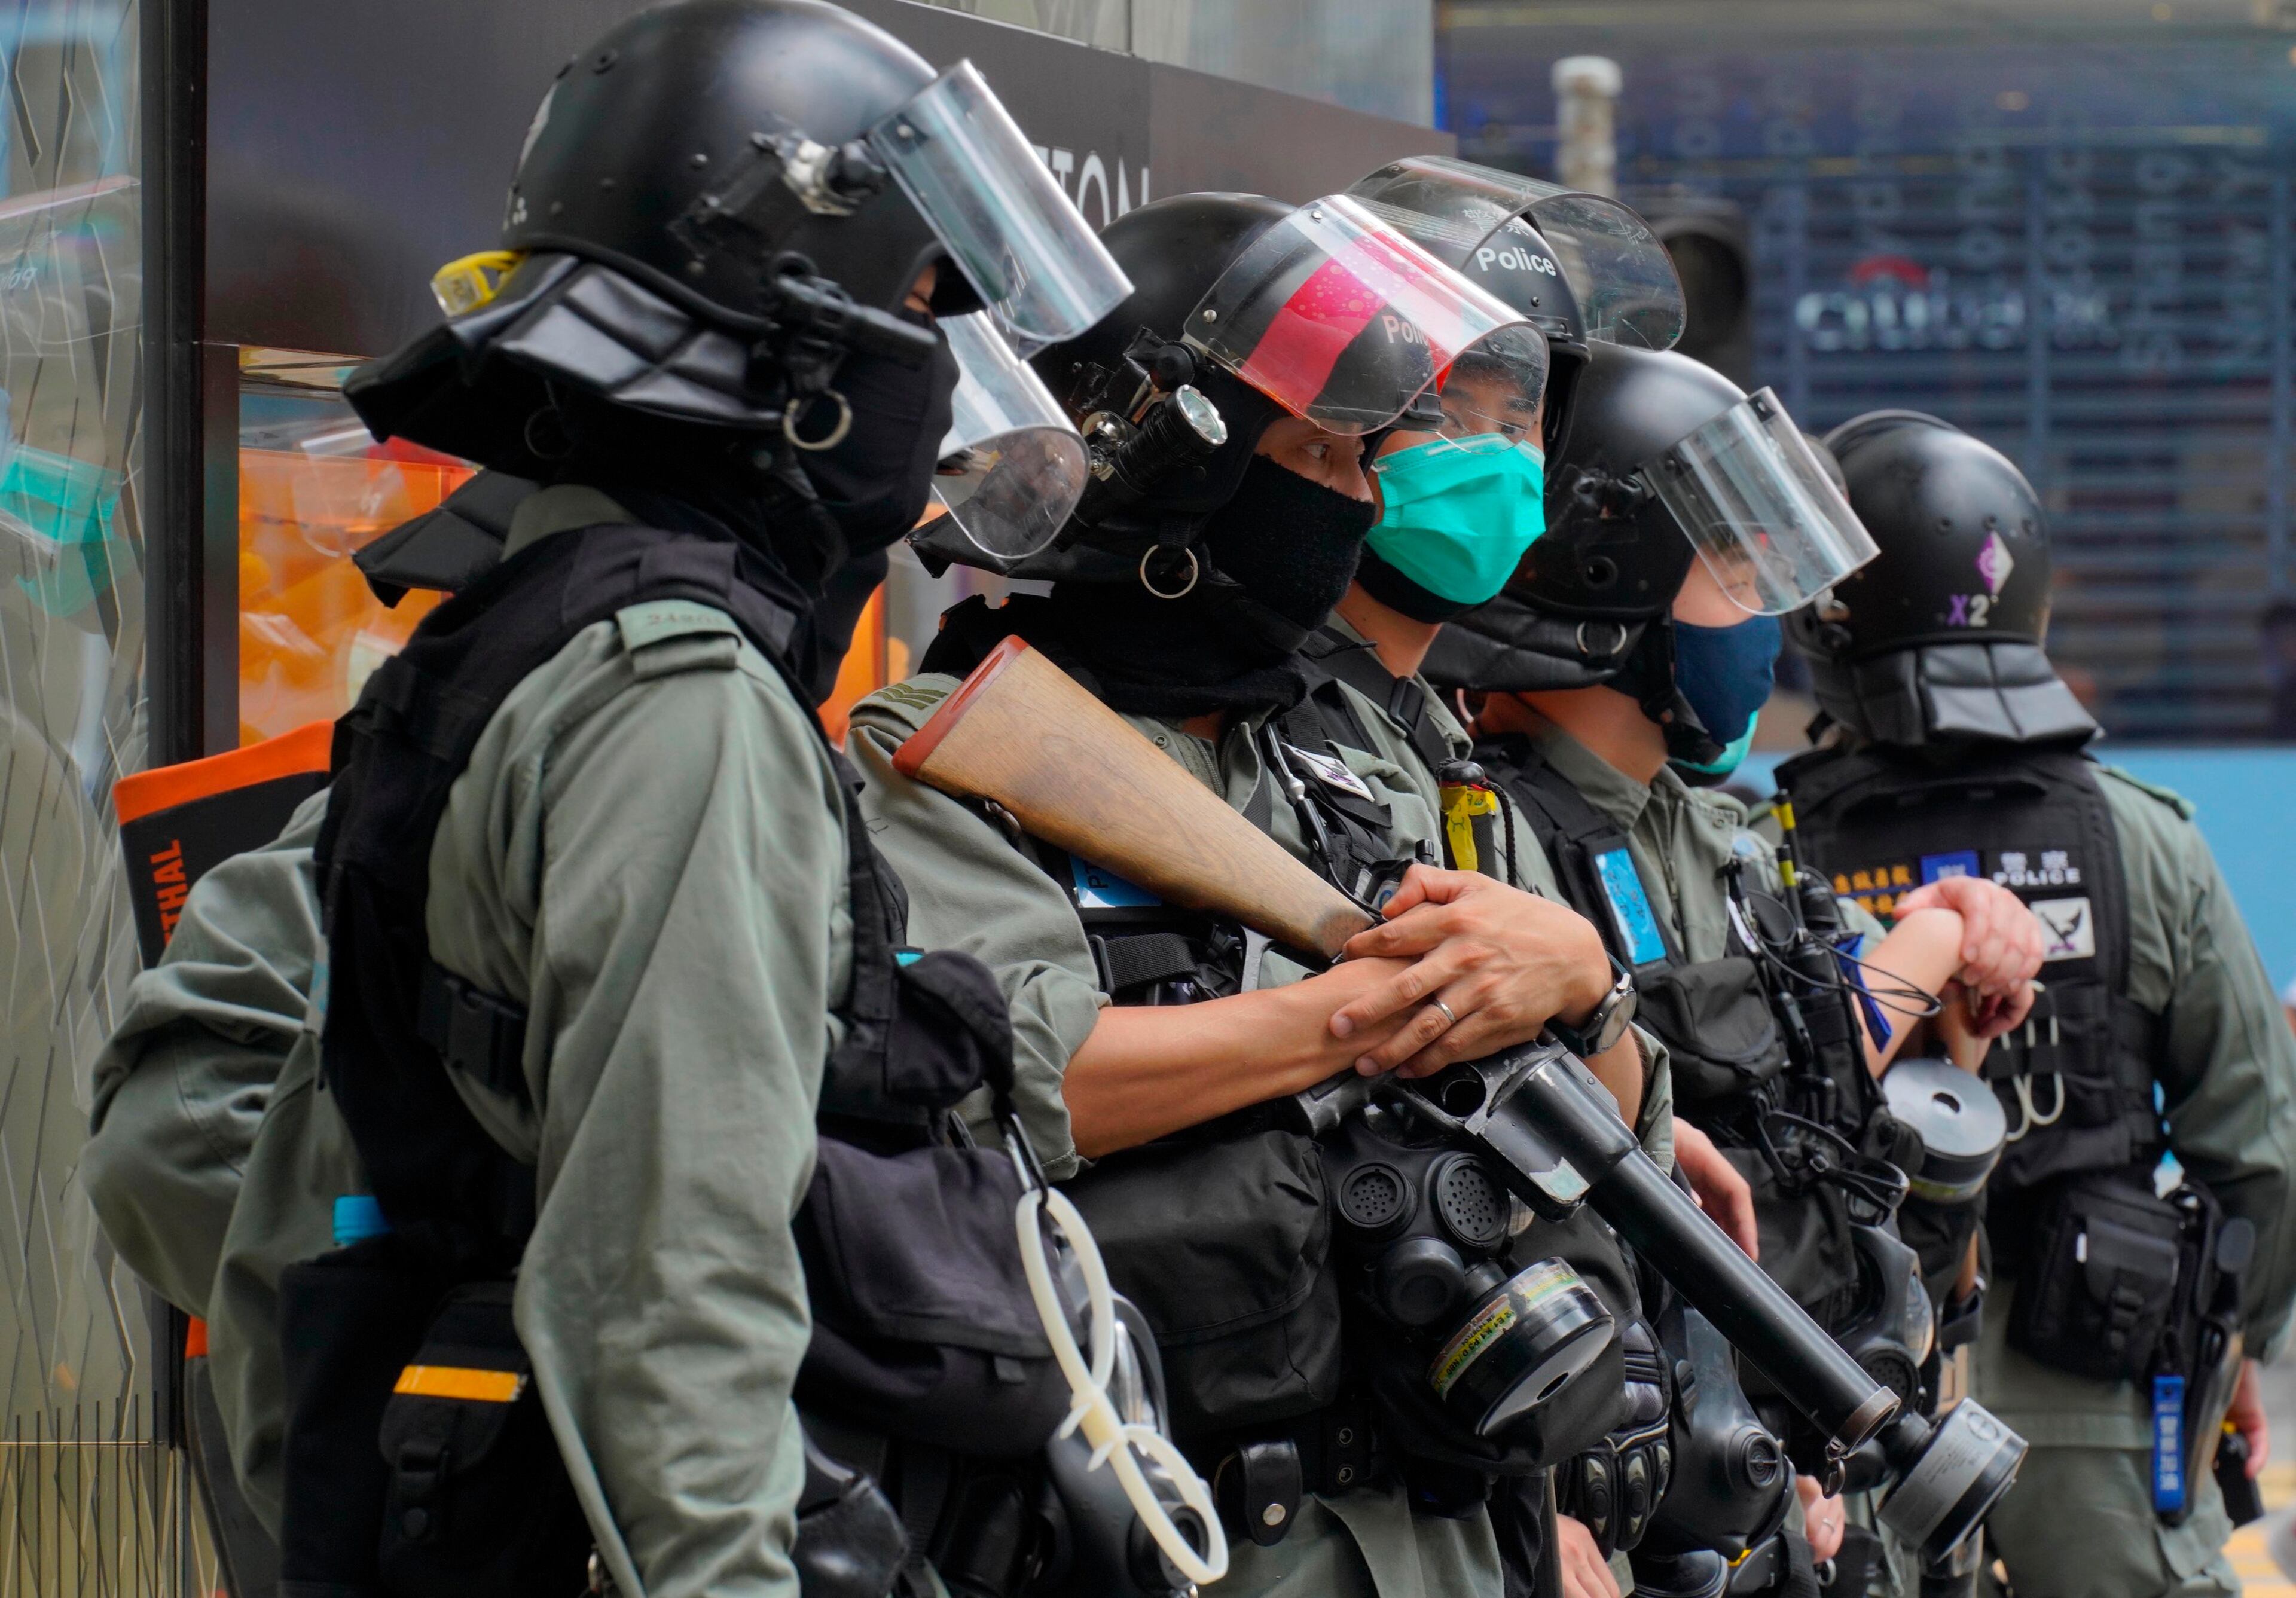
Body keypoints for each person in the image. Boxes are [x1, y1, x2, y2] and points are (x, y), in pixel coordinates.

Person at [86, 5, 1136, 1595]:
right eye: (925, 306)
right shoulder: (680, 697)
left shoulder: (539, 641)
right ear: (799, 353)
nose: (947, 379)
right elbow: (670, 1288)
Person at [862, 188, 1648, 1598]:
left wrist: (1584, 978)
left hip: (1435, 1514)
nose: (1356, 499)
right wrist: (1380, 1006)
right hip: (1170, 1527)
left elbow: (1592, 1112)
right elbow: (1035, 1075)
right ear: (1177, 477)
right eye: (1323, 453)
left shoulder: (1332, 754)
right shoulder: (937, 739)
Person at [1420, 349, 2047, 1598]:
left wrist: (1939, 935)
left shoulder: (1713, 827)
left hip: (1785, 1472)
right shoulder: (1487, 833)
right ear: (1618, 574)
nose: (1766, 613)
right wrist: (1537, 1500)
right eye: (1737, 572)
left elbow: (1800, 1069)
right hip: (1624, 1486)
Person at [1778, 411, 2296, 1598]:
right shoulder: (2143, 841)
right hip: (2112, 1401)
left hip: (1856, 1403)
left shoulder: (1772, 848)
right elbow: (2260, 1144)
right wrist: (2231, 1341)